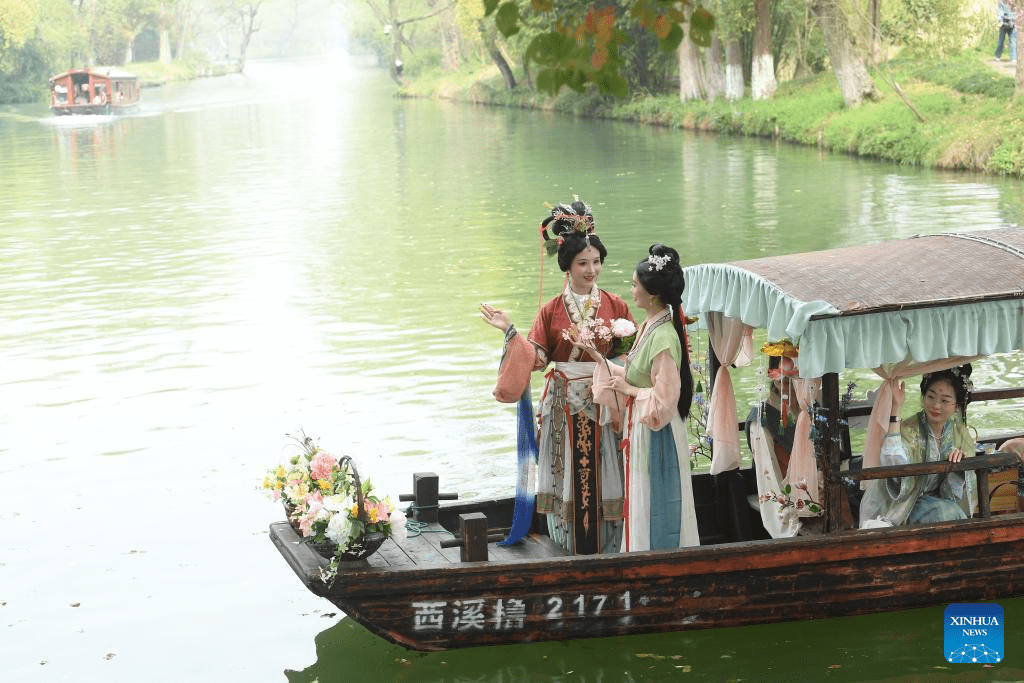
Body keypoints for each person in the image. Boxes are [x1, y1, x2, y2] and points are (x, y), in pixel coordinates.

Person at [480, 199, 633, 554]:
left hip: (605, 401)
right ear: (568, 266)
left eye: (596, 262)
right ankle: (568, 545)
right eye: (583, 263)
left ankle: (611, 544)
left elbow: (630, 355)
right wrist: (511, 332)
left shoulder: (616, 305)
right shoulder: (550, 311)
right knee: (566, 475)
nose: (591, 270)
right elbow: (538, 359)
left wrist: (612, 373)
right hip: (564, 404)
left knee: (607, 468)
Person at [574, 244, 700, 552]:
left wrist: (628, 390)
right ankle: (641, 554)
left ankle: (659, 559)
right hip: (643, 424)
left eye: (634, 285)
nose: (631, 291)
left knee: (657, 500)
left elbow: (664, 401)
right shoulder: (650, 326)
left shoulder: (664, 337)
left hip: (658, 430)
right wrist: (594, 354)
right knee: (643, 497)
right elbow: (634, 377)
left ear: (652, 294)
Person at [859, 365, 977, 527]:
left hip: (934, 502)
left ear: (956, 405)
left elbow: (958, 490)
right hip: (900, 505)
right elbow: (894, 466)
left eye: (945, 400)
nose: (936, 405)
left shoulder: (959, 432)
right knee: (946, 513)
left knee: (949, 512)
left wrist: (959, 464)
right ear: (923, 397)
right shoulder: (910, 429)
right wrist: (896, 408)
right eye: (931, 396)